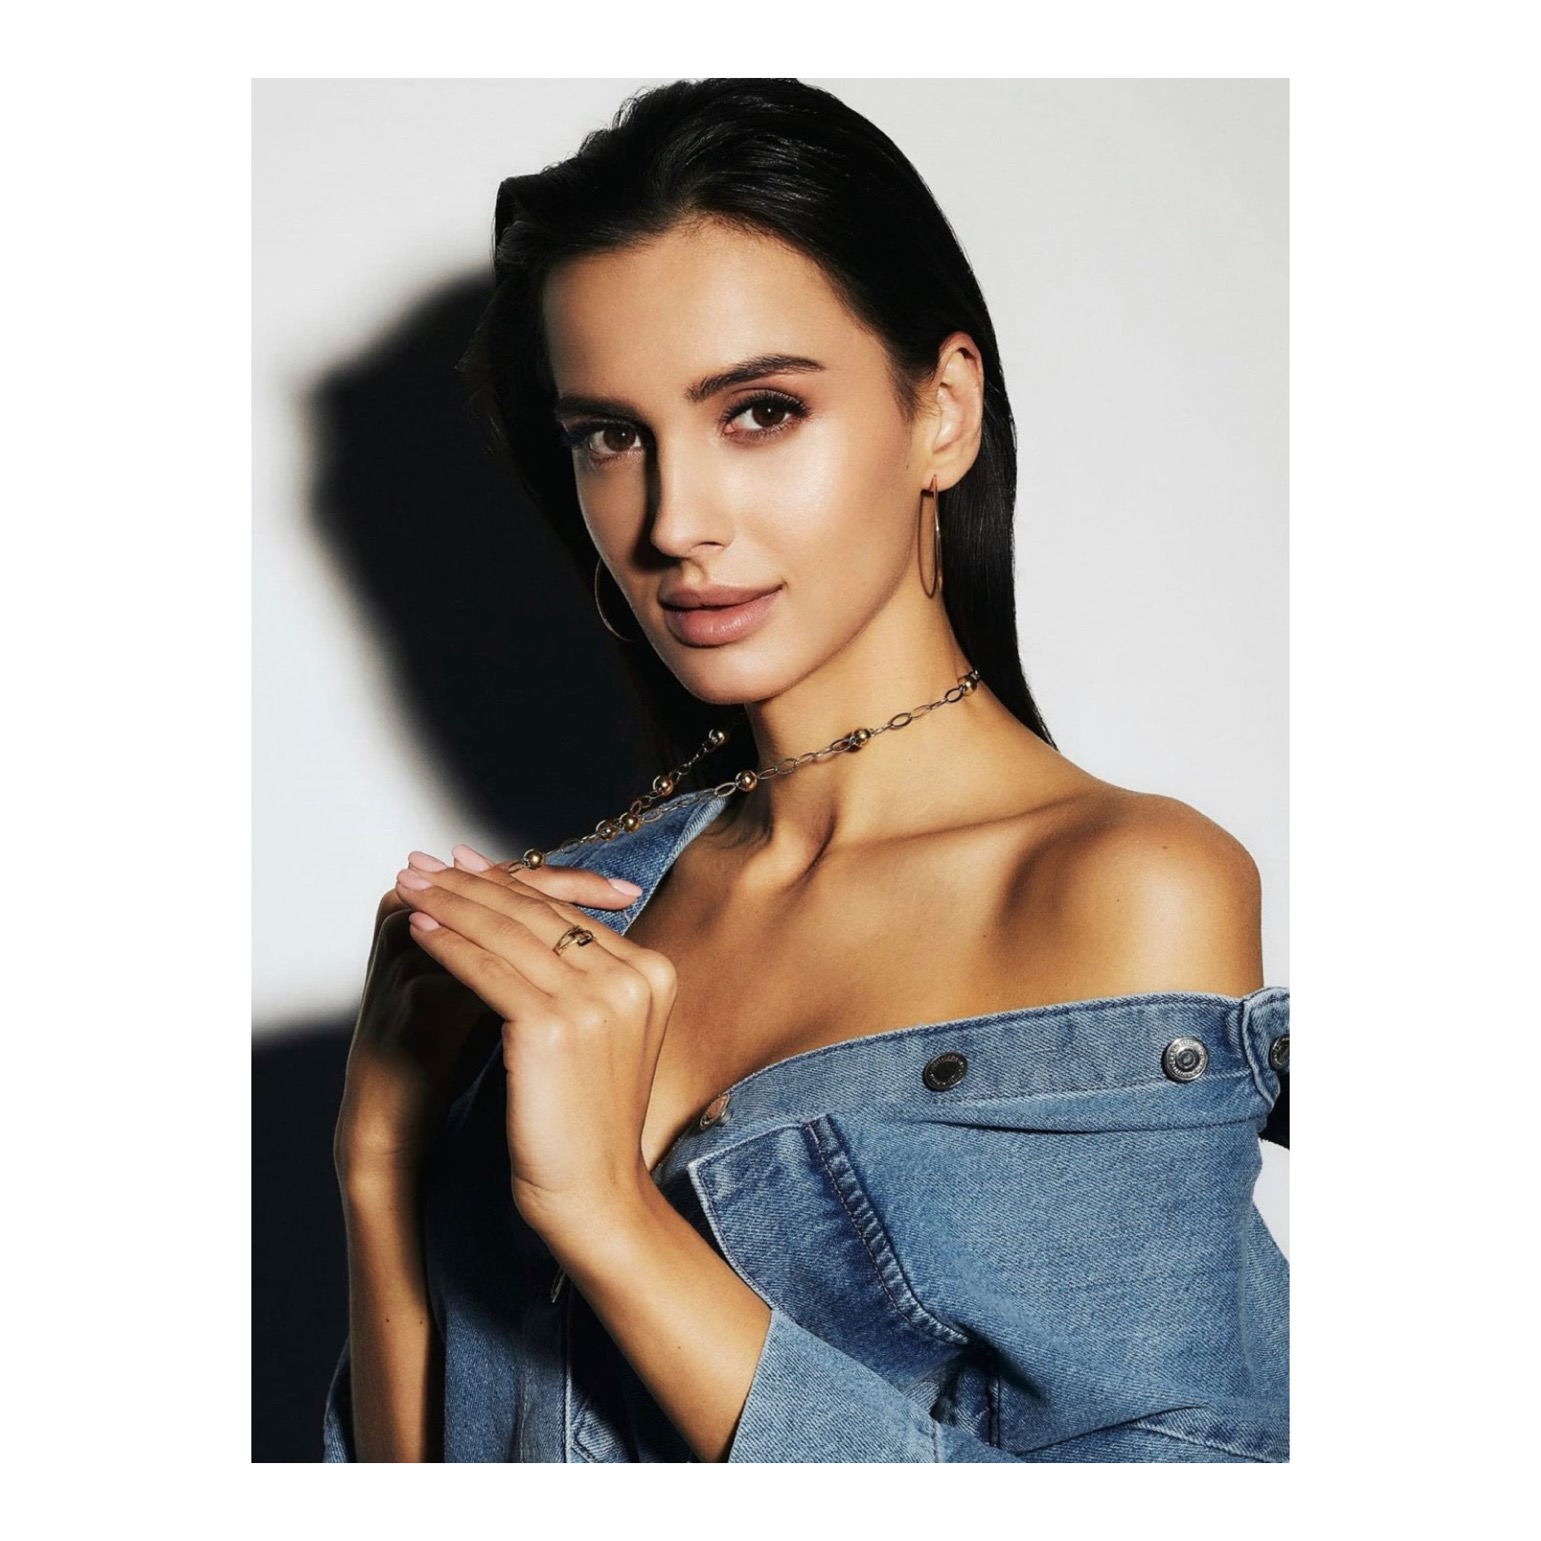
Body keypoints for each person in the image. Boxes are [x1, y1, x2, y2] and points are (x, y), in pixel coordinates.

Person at [323, 77, 1289, 1464]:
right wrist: (381, 1158)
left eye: (760, 410)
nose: (674, 521)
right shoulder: (596, 899)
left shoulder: (1117, 886)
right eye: (611, 436)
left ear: (942, 411)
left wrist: (610, 1221)